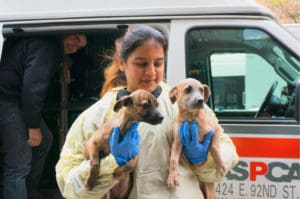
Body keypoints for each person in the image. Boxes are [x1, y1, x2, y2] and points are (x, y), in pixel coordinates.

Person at [55, 25, 238, 198]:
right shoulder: (98, 115)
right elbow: (68, 185)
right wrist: (110, 164)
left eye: (158, 64)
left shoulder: (184, 104)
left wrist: (202, 159)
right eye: (141, 64)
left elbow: (228, 155)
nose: (151, 72)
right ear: (122, 63)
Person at [0, 33, 87, 199]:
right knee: (18, 165)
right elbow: (33, 88)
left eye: (80, 47)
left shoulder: (50, 47)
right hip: (8, 99)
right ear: (65, 32)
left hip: (16, 100)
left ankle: (26, 191)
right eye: (75, 39)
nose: (75, 47)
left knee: (44, 140)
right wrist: (33, 126)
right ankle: (18, 189)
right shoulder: (47, 46)